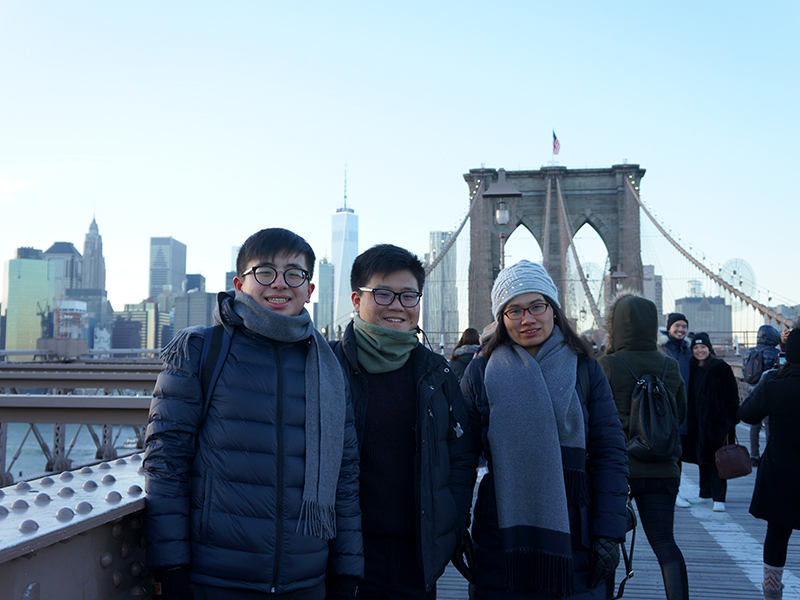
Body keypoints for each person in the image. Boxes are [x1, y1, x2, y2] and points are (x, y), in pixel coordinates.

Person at [144, 228, 363, 600]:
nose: (279, 283)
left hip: (307, 582)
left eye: (294, 273)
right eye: (264, 271)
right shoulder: (200, 351)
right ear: (240, 283)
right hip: (216, 580)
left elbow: (344, 475)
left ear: (309, 289)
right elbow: (167, 463)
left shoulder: (329, 366)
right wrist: (171, 567)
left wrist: (347, 571)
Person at [460, 260, 628, 600]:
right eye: (514, 310)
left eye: (537, 306)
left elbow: (610, 452)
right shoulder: (480, 374)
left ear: (554, 309)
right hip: (500, 538)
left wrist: (609, 532)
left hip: (579, 536)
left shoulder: (586, 371)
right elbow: (460, 459)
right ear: (501, 318)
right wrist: (454, 527)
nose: (528, 319)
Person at [330, 244, 475, 599]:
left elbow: (461, 456)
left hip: (418, 554)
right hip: (339, 552)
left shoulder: (437, 373)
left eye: (409, 296)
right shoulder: (325, 367)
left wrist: (451, 523)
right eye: (383, 293)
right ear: (355, 299)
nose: (397, 305)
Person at [598, 293, 689, 600]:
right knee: (665, 542)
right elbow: (680, 414)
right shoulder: (670, 365)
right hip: (664, 468)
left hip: (618, 470)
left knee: (608, 543)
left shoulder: (607, 365)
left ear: (615, 327)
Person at [740, 328, 800, 599]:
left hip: (781, 471)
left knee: (777, 533)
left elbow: (748, 415)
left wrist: (765, 383)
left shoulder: (775, 385)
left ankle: (772, 592)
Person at [680, 332, 740, 513]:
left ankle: (719, 498)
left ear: (709, 348)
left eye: (703, 347)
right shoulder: (691, 368)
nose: (700, 351)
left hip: (718, 424)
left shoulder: (721, 367)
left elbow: (732, 396)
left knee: (717, 461)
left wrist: (731, 423)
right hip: (697, 423)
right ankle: (705, 494)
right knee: (702, 459)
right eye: (696, 348)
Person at [659, 313, 692, 508]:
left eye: (684, 327)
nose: (680, 330)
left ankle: (675, 490)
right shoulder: (661, 348)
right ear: (669, 327)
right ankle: (671, 492)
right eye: (677, 326)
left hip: (685, 409)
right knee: (669, 453)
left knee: (678, 454)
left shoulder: (689, 350)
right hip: (666, 408)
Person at [742, 325, 781, 466]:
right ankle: (769, 455)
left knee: (755, 424)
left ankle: (754, 456)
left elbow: (743, 371)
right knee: (769, 424)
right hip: (769, 392)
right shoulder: (775, 352)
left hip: (752, 389)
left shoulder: (749, 352)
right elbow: (779, 373)